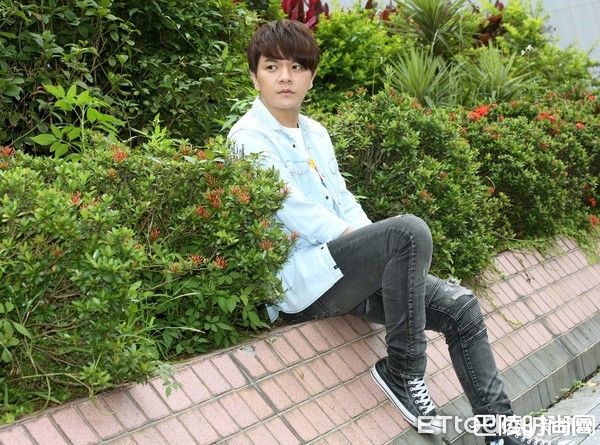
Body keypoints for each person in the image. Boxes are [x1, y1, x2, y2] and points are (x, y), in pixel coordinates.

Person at [228, 19, 572, 445]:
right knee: (408, 232)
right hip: (302, 282)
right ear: (254, 76)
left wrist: (373, 253)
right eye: (272, 67)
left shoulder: (315, 132)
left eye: (296, 67)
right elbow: (294, 211)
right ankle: (402, 372)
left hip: (342, 273)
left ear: (311, 77)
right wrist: (370, 247)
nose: (285, 77)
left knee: (461, 307)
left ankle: (502, 432)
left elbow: (342, 198)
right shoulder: (248, 138)